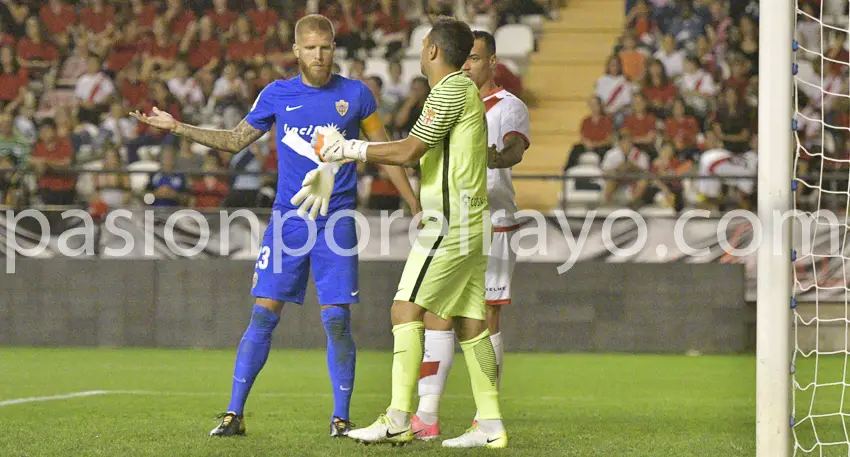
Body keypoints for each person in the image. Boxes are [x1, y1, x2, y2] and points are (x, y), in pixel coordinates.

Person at [130, 14, 420, 438]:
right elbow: (234, 140)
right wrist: (178, 127)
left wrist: (412, 202)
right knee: (263, 316)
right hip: (288, 224)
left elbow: (386, 152)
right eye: (312, 48)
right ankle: (234, 414)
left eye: (326, 47)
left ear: (334, 48)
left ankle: (341, 418)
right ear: (297, 51)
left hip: (336, 223)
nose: (320, 55)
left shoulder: (356, 95)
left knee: (337, 319)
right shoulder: (277, 94)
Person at [311, 16, 507, 449]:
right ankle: (490, 423)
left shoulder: (452, 90)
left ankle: (400, 417)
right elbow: (417, 155)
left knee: (404, 311)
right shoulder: (460, 93)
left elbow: (408, 151)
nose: (420, 53)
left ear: (434, 51)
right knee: (472, 324)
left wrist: (347, 149)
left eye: (422, 46)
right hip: (473, 223)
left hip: (451, 224)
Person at [408, 29, 529, 442]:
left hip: (493, 221)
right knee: (434, 314)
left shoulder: (506, 105)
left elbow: (515, 148)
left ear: (493, 62)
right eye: (465, 58)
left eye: (476, 59)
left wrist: (495, 157)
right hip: (451, 220)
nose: (467, 65)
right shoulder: (448, 98)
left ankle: (485, 417)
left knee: (485, 316)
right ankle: (426, 417)